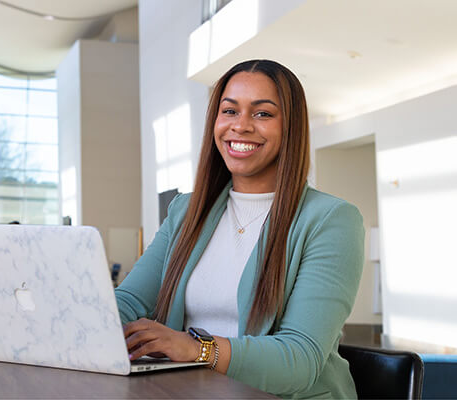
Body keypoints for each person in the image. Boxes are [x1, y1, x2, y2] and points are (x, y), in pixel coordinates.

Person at [115, 59, 364, 398]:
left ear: (291, 127)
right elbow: (129, 301)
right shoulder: (186, 211)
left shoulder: (331, 220)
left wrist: (197, 349)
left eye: (262, 114)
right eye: (229, 111)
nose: (241, 126)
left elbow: (300, 360)